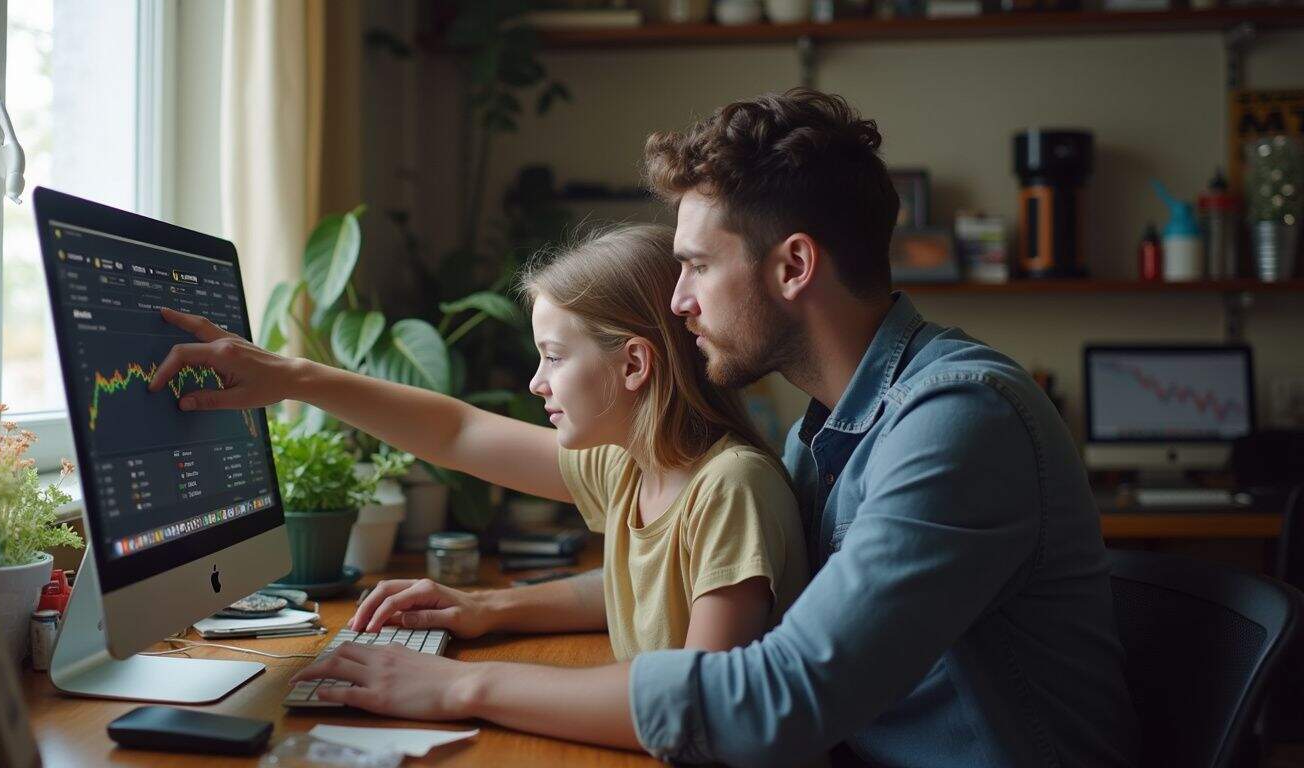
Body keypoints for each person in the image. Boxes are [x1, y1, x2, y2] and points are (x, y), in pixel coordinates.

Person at [162, 87, 1141, 766]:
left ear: (792, 267)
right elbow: (681, 563)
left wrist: (458, 689)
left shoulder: (955, 423)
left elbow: (773, 699)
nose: (674, 303)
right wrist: (493, 611)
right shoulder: (831, 428)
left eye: (697, 267)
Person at [149, 224, 808, 673]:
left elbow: (700, 705)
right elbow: (455, 433)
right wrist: (289, 377)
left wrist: (453, 688)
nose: (535, 382)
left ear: (635, 364)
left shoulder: (728, 488)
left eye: (552, 356)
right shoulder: (633, 466)